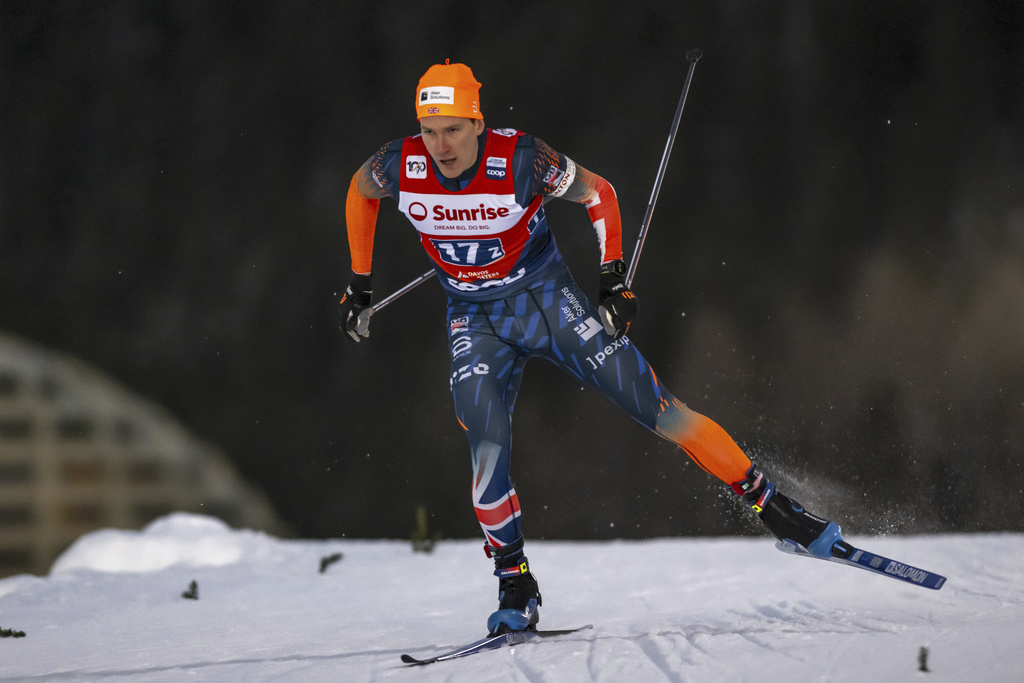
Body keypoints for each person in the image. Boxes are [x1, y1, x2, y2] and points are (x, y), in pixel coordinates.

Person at [339, 60, 843, 634]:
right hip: (474, 320)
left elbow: (598, 193)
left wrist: (613, 281)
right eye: (429, 131)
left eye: (452, 128)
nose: (440, 145)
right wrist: (359, 284)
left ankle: (779, 511)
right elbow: (360, 192)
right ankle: (515, 581)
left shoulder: (523, 159)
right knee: (485, 445)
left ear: (477, 123)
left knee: (662, 413)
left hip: (550, 305)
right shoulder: (397, 163)